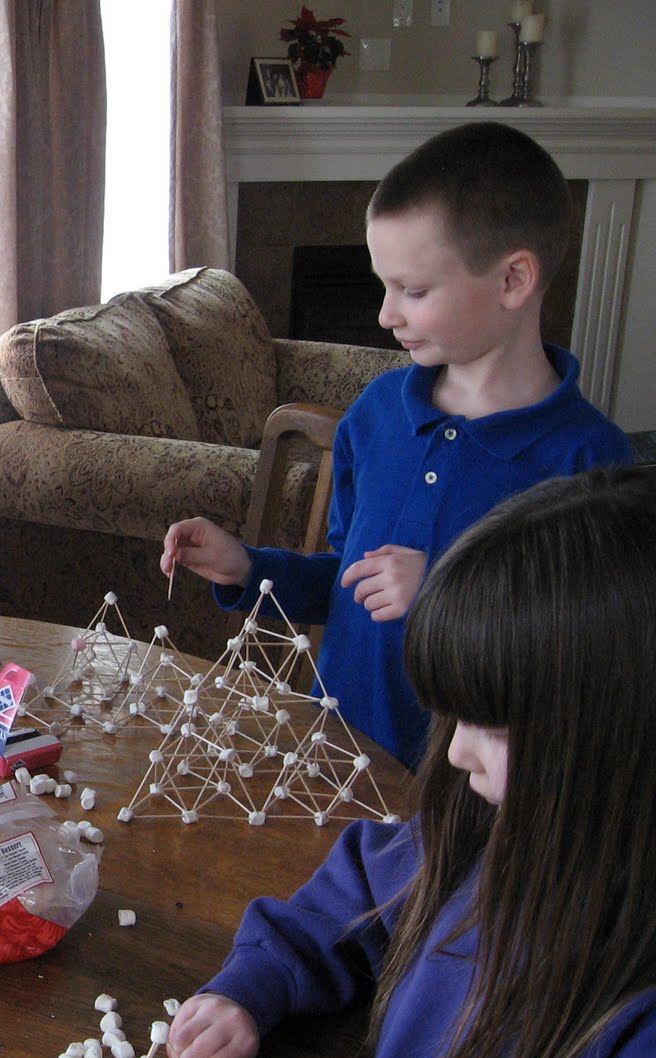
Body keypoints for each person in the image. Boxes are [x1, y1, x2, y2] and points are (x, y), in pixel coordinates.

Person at [165, 466, 656, 1058]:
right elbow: (360, 889)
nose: (455, 754)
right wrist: (252, 987)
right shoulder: (489, 826)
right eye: (454, 717)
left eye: (493, 728)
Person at [160, 122, 630, 767]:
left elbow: (588, 667)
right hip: (334, 761)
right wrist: (249, 568)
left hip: (471, 797)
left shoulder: (590, 465)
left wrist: (443, 594)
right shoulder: (377, 415)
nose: (386, 314)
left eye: (414, 290)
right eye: (384, 285)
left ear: (514, 280)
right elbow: (351, 583)